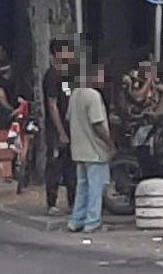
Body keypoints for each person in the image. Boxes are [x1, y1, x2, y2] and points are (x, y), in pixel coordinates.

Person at [66, 62, 114, 234]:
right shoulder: (93, 96)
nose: (103, 79)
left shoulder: (75, 94)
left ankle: (76, 220)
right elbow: (98, 124)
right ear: (93, 76)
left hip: (79, 149)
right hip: (95, 150)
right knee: (96, 187)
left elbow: (69, 118)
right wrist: (110, 143)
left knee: (82, 187)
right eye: (100, 76)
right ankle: (92, 222)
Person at [43, 39, 77, 215]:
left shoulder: (68, 76)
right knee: (55, 165)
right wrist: (60, 131)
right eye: (67, 51)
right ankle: (52, 202)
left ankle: (73, 201)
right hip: (57, 129)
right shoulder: (52, 76)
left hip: (71, 126)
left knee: (71, 166)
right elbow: (52, 104)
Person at [0, 46, 31, 187]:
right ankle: (8, 174)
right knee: (6, 146)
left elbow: (22, 95)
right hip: (6, 117)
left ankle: (19, 170)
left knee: (19, 142)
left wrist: (18, 108)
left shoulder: (16, 76)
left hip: (17, 116)